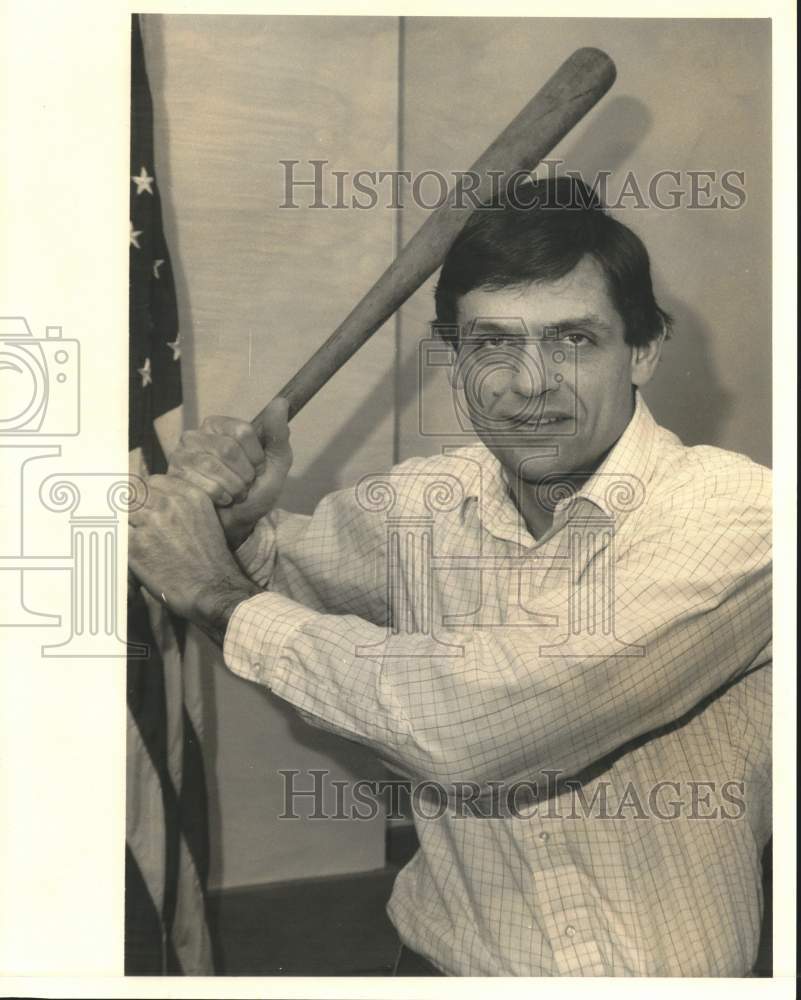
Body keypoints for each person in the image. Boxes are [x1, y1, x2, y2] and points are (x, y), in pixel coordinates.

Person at [128, 178, 772, 976]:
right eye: (491, 344)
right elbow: (290, 578)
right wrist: (231, 527)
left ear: (642, 350)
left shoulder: (743, 516)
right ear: (456, 361)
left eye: (572, 340)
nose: (529, 382)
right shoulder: (424, 504)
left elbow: (481, 724)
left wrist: (213, 592)